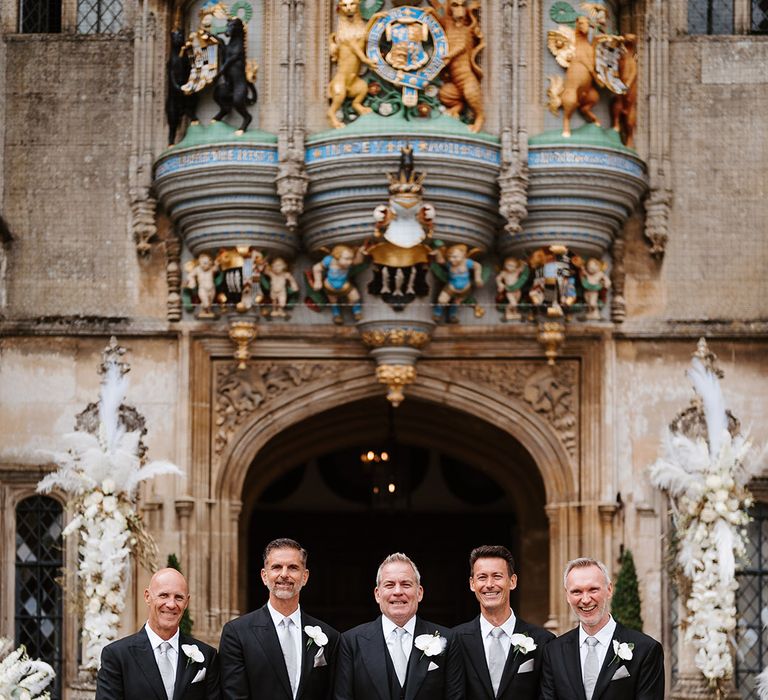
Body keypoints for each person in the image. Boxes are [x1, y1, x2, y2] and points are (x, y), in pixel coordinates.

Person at [219, 538, 339, 700]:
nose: (284, 574)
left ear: (304, 577)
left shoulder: (330, 636)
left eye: (293, 568)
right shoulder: (237, 633)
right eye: (276, 567)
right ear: (264, 575)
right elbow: (234, 695)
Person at [334, 552, 455, 700]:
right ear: (377, 594)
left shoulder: (449, 639)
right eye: (390, 585)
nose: (398, 592)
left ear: (419, 593)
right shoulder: (350, 642)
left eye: (406, 584)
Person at [539, 557, 664, 700]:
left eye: (593, 589)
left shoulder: (646, 650)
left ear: (609, 590)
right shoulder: (553, 651)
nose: (585, 600)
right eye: (576, 592)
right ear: (567, 596)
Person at [447, 545, 554, 699]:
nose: (489, 584)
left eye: (497, 576)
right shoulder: (454, 639)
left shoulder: (544, 641)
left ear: (512, 581)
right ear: (472, 584)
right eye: (482, 577)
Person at [95, 567, 220, 700]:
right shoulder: (117, 656)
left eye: (178, 597)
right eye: (164, 595)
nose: (171, 604)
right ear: (147, 597)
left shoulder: (208, 656)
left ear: (186, 602)